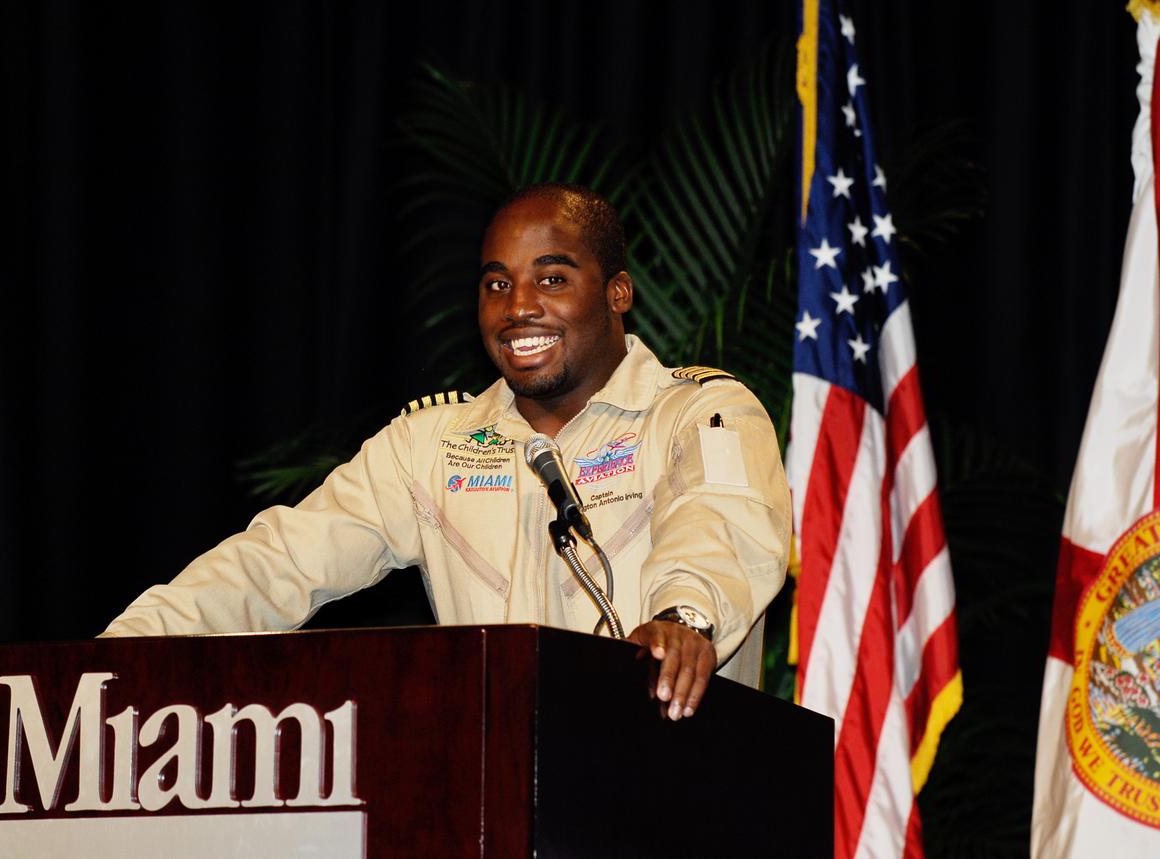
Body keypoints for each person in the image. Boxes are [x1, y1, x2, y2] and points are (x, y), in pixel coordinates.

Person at [104, 184, 791, 720]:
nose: (519, 305)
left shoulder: (701, 415)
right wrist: (110, 660)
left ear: (618, 293)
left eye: (552, 278)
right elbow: (278, 562)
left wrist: (682, 620)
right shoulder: (432, 447)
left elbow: (719, 528)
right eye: (497, 283)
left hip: (672, 791)